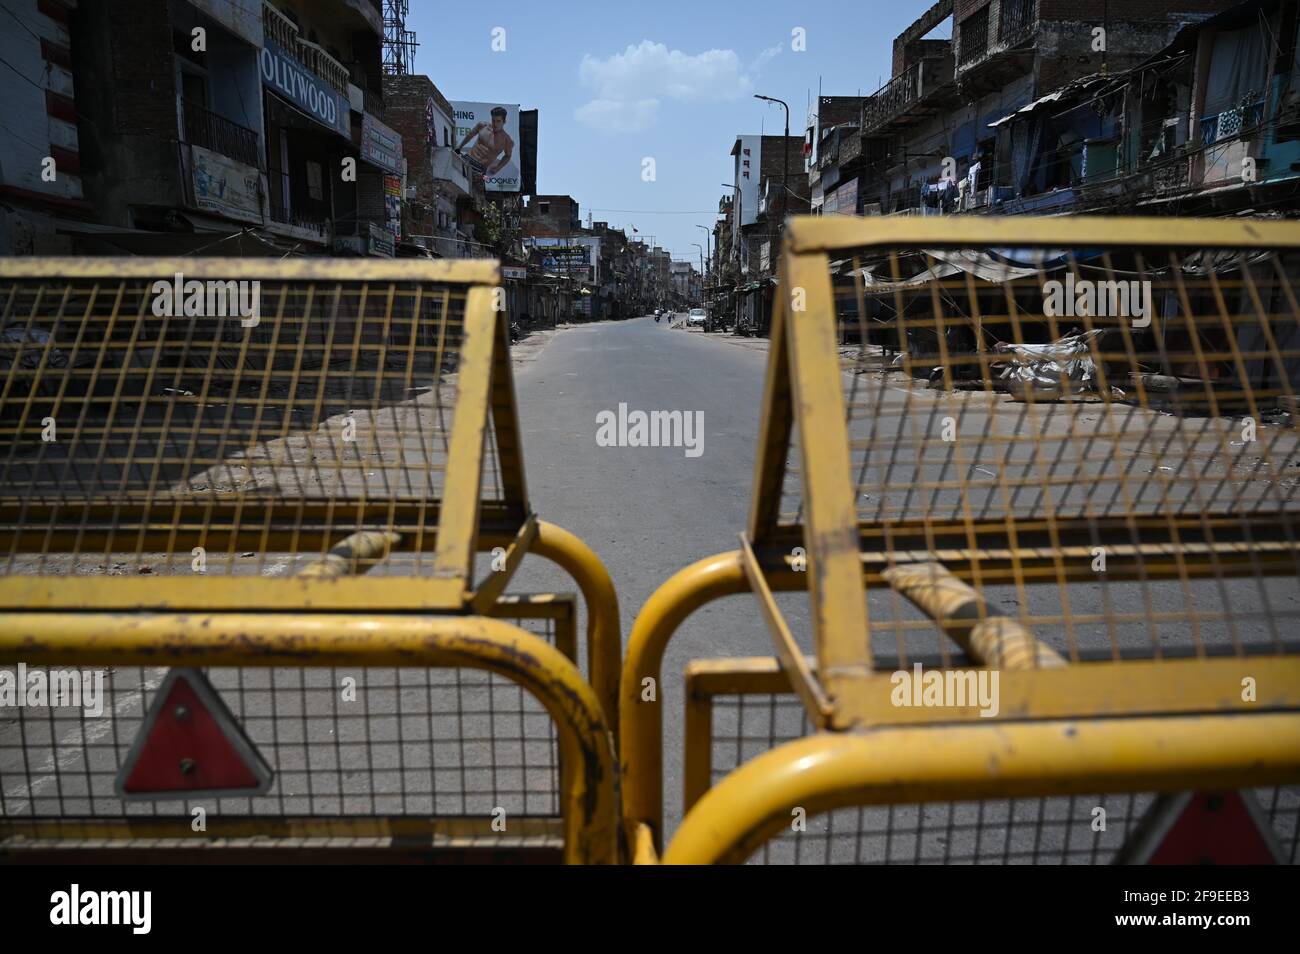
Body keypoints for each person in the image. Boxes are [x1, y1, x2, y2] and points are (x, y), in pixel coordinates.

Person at [456, 106, 515, 183]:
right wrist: (459, 147)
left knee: (476, 192)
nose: (495, 124)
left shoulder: (507, 140)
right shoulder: (482, 125)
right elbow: (470, 135)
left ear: (504, 121)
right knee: (454, 183)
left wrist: (497, 168)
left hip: (481, 170)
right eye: (493, 120)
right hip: (467, 159)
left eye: (498, 121)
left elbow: (508, 156)